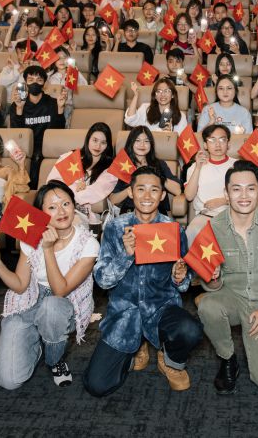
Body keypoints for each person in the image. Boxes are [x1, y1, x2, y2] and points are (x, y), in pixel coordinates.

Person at [83, 167, 201, 396]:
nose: (147, 196)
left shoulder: (174, 230)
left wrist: (180, 276)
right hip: (124, 314)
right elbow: (102, 281)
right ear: (131, 193)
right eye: (141, 189)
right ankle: (136, 345)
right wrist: (126, 255)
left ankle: (171, 361)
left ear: (162, 195)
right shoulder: (116, 228)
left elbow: (185, 282)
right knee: (97, 385)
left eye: (154, 190)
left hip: (162, 308)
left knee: (190, 330)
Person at [0, 181, 99, 389]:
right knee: (9, 381)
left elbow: (60, 291)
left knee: (51, 308)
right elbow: (20, 286)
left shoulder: (88, 244)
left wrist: (47, 249)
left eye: (66, 203)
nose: (61, 211)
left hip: (65, 305)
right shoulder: (30, 237)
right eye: (52, 207)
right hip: (30, 299)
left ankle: (54, 360)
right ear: (42, 213)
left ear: (74, 206)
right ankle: (38, 343)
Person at [198, 162, 258, 393]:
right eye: (236, 189)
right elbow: (211, 285)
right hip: (232, 296)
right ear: (227, 194)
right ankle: (228, 358)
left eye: (250, 188)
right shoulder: (213, 228)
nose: (244, 195)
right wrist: (213, 277)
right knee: (208, 306)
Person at [46, 123, 117, 224]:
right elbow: (52, 182)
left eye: (103, 142)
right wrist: (75, 187)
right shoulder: (71, 156)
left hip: (82, 213)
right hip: (56, 207)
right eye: (95, 140)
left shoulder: (110, 168)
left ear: (108, 145)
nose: (98, 146)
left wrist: (70, 190)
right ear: (88, 139)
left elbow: (95, 193)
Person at [9, 65, 67, 185]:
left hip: (46, 147)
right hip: (26, 147)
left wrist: (60, 108)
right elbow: (17, 134)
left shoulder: (52, 103)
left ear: (44, 83)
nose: (35, 83)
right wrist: (19, 109)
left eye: (39, 80)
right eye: (30, 80)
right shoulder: (17, 104)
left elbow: (57, 131)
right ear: (25, 82)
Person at [108, 126, 182, 217]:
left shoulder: (159, 164)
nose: (142, 145)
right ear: (131, 143)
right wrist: (130, 188)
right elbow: (112, 200)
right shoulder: (123, 165)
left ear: (151, 144)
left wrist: (157, 175)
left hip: (156, 211)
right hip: (130, 212)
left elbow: (177, 191)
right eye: (137, 141)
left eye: (146, 141)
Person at [184, 123, 238, 222]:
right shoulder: (194, 167)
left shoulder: (238, 165)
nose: (218, 144)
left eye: (222, 140)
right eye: (212, 140)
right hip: (204, 217)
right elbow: (189, 196)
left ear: (228, 144)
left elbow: (246, 194)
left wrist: (224, 201)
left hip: (232, 215)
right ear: (205, 145)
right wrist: (198, 168)